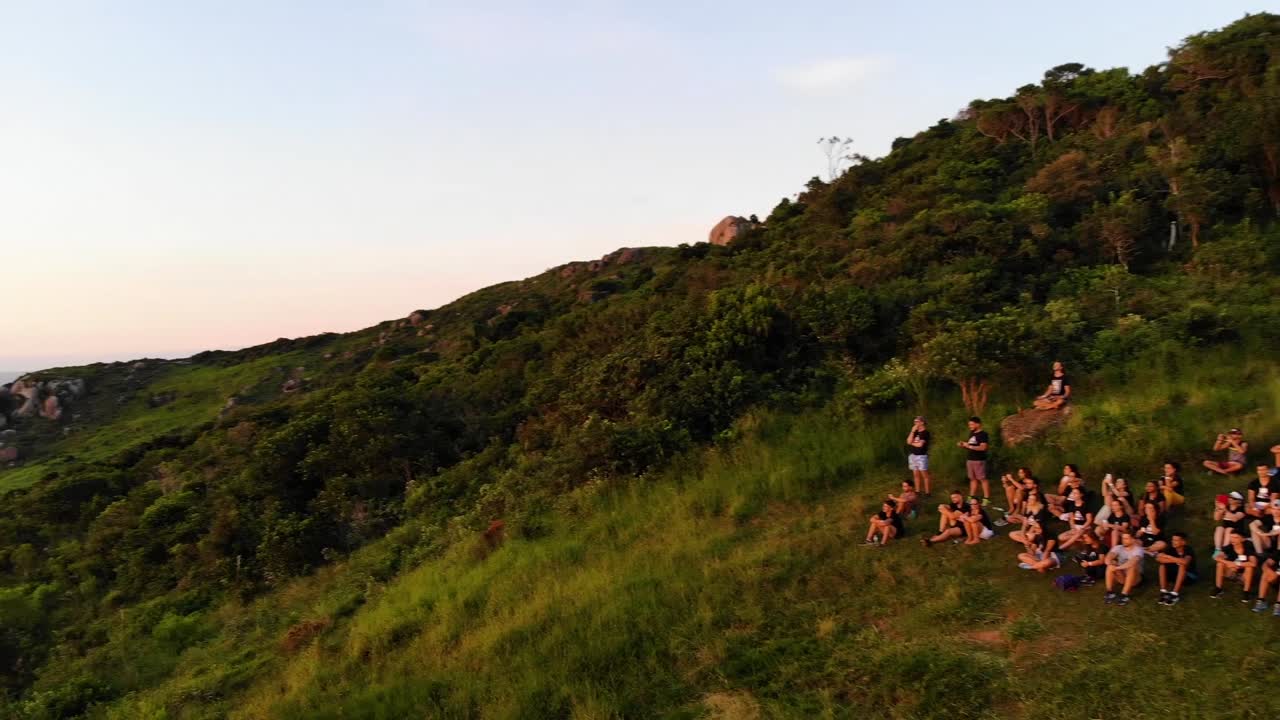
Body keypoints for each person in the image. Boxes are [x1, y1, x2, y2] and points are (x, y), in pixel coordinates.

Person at [1211, 529, 1257, 602]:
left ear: (1242, 539)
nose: (1232, 540)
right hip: (1231, 572)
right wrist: (1228, 562)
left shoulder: (1248, 548)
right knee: (1219, 564)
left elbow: (1253, 563)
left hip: (1243, 576)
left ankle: (1246, 592)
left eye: (1236, 537)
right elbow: (1217, 557)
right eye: (1231, 537)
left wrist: (1237, 564)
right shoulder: (1229, 547)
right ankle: (1218, 588)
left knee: (1249, 567)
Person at [1103, 530, 1145, 605]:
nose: (1123, 541)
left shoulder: (1138, 550)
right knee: (1111, 564)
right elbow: (1108, 557)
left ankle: (1124, 595)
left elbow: (1132, 562)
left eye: (1126, 539)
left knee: (1132, 567)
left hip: (1135, 579)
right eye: (1122, 538)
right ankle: (1110, 592)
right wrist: (1110, 563)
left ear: (1133, 540)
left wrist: (1117, 568)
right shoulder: (1118, 547)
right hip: (1122, 576)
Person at [956, 417, 991, 505]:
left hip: (979, 460)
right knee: (972, 479)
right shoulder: (971, 433)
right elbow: (971, 445)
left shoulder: (983, 434)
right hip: (970, 459)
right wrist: (963, 445)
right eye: (969, 424)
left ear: (978, 424)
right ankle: (971, 496)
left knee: (982, 479)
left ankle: (986, 498)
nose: (970, 426)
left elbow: (983, 447)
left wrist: (968, 446)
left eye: (972, 424)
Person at [1156, 532, 1197, 605]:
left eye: (1176, 540)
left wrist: (1168, 557)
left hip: (1189, 576)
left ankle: (1175, 594)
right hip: (1175, 574)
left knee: (1182, 566)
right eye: (1173, 540)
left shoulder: (1188, 549)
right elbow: (1159, 558)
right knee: (1162, 566)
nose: (1173, 542)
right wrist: (1177, 560)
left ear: (1183, 542)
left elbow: (1185, 562)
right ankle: (1163, 591)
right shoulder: (1171, 548)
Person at [905, 416, 932, 496]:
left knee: (924, 475)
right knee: (915, 474)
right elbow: (908, 441)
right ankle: (917, 491)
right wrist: (912, 431)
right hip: (913, 455)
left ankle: (927, 492)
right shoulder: (915, 432)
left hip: (921, 456)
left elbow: (920, 445)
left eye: (917, 421)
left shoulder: (925, 433)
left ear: (922, 422)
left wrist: (912, 443)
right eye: (914, 422)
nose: (915, 423)